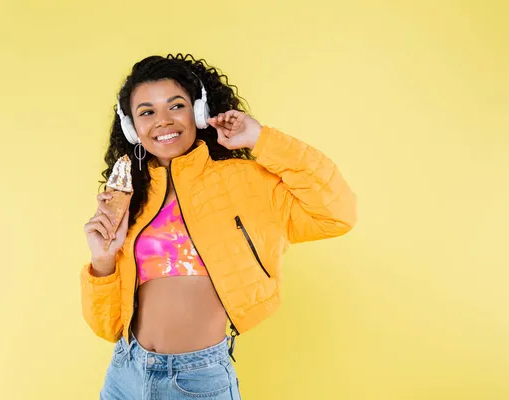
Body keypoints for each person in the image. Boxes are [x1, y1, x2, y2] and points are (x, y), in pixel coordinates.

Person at [80, 53, 357, 399]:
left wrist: (260, 139)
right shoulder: (129, 196)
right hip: (125, 372)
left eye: (176, 106)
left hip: (197, 379)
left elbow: (337, 213)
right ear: (131, 128)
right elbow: (107, 326)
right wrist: (102, 261)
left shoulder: (245, 181)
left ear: (198, 111)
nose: (163, 121)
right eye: (147, 112)